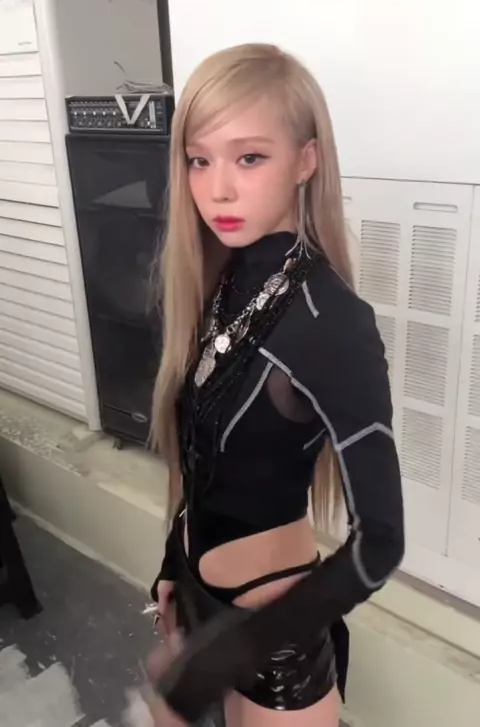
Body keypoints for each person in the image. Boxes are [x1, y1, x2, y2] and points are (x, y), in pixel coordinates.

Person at [147, 43, 404, 727]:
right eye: (199, 160)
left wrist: (231, 653)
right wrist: (172, 562)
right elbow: (202, 454)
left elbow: (381, 542)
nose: (218, 190)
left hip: (273, 642)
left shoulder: (332, 323)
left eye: (250, 158)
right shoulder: (225, 279)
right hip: (199, 602)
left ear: (305, 160)